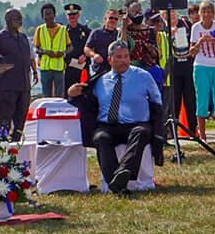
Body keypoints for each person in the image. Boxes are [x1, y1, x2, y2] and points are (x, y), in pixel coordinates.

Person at [67, 40, 163, 194]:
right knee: (100, 137)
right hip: (109, 125)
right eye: (118, 57)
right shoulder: (100, 81)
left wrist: (158, 129)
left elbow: (157, 103)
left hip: (136, 124)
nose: (123, 60)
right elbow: (87, 104)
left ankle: (123, 173)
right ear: (110, 59)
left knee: (142, 133)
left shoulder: (143, 77)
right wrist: (72, 95)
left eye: (126, 56)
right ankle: (117, 183)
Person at [0, 8, 38, 138]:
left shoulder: (23, 38)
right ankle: (3, 151)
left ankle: (17, 149)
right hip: (6, 88)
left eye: (21, 19)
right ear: (8, 20)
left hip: (24, 86)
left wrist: (34, 72)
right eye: (17, 19)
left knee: (20, 123)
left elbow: (28, 59)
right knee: (4, 123)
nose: (20, 21)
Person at [189, 1, 215, 143]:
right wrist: (200, 42)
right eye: (203, 12)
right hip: (202, 66)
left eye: (209, 12)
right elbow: (192, 52)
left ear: (214, 13)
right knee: (202, 99)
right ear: (199, 14)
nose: (206, 15)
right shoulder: (195, 28)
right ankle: (203, 136)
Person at [168, 9, 196, 136]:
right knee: (175, 100)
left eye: (174, 11)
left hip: (187, 65)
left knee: (190, 98)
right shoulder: (163, 28)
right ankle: (172, 130)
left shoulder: (185, 23)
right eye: (169, 12)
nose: (172, 14)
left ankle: (192, 129)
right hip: (173, 67)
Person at [34, 3, 69, 97]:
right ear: (42, 16)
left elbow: (70, 47)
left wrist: (63, 53)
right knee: (46, 95)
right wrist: (46, 52)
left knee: (59, 95)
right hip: (45, 67)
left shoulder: (63, 29)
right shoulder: (40, 30)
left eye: (50, 13)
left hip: (59, 67)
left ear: (54, 15)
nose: (48, 16)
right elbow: (36, 49)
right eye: (46, 14)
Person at [118, 0, 159, 74]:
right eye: (134, 11)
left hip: (147, 69)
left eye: (139, 11)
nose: (138, 14)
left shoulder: (150, 30)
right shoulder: (125, 31)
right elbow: (123, 47)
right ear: (128, 14)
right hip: (130, 69)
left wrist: (151, 50)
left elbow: (155, 55)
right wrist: (124, 27)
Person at [63, 3, 90, 91]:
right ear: (66, 16)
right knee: (67, 94)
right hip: (67, 69)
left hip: (82, 68)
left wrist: (85, 56)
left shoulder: (86, 31)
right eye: (69, 14)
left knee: (83, 92)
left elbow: (92, 48)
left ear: (78, 15)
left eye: (74, 14)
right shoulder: (62, 32)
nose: (72, 16)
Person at [84, 10, 120, 76]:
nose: (113, 20)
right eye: (111, 18)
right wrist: (94, 55)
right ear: (105, 19)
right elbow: (86, 49)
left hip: (115, 70)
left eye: (116, 19)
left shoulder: (119, 35)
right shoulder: (96, 32)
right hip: (99, 70)